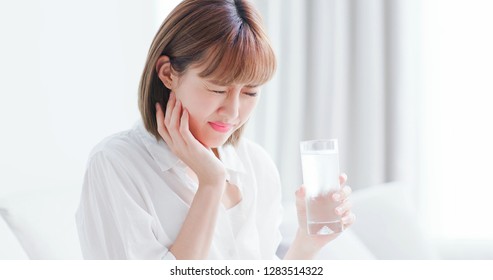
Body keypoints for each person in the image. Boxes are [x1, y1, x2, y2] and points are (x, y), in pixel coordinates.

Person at [75, 0, 355, 260]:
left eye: (250, 93)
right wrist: (211, 183)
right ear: (168, 73)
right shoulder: (117, 164)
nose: (233, 112)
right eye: (217, 89)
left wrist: (306, 242)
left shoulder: (255, 165)